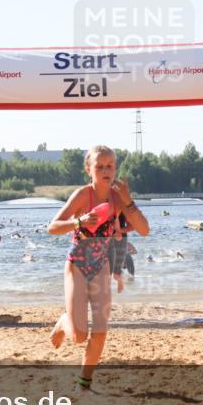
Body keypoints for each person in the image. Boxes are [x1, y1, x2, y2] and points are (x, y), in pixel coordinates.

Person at [48, 146, 149, 391]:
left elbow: (144, 229)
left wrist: (128, 201)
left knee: (101, 331)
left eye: (110, 166)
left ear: (115, 168)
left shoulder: (118, 197)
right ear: (89, 170)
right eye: (100, 166)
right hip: (77, 266)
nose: (106, 170)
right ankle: (64, 322)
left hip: (101, 266)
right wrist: (78, 221)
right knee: (80, 335)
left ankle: (84, 384)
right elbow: (53, 227)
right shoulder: (83, 195)